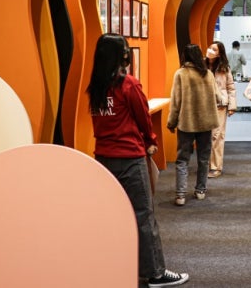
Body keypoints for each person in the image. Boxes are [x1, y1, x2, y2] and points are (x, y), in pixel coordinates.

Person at [87, 33, 189, 287]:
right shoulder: (129, 84)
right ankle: (155, 273)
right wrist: (151, 140)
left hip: (103, 158)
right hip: (129, 158)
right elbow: (144, 118)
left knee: (112, 215)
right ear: (122, 55)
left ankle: (111, 267)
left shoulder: (95, 87)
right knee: (143, 215)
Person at [167, 44, 221, 206]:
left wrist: (171, 122)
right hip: (206, 123)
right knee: (204, 159)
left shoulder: (181, 74)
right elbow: (218, 97)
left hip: (187, 123)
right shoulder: (208, 74)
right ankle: (200, 190)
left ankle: (180, 195)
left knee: (182, 160)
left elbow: (175, 102)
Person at [205, 41, 237, 178]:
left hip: (220, 105)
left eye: (214, 49)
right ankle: (207, 165)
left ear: (219, 54)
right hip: (204, 105)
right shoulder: (202, 65)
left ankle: (216, 167)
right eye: (210, 47)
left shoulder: (224, 68)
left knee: (217, 136)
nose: (210, 50)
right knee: (206, 137)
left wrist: (232, 106)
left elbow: (231, 87)